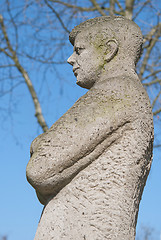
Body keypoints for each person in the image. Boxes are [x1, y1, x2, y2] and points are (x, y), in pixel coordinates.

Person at [26, 16, 153, 240]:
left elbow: (40, 170)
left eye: (79, 50)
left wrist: (38, 143)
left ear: (109, 51)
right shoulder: (127, 94)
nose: (70, 59)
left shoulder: (116, 92)